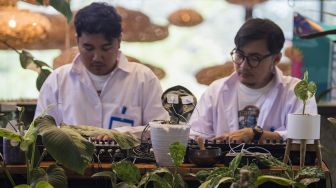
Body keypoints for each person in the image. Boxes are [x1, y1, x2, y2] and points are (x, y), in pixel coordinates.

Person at [35, 2, 169, 134]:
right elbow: (40, 131)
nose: (97, 57)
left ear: (119, 41)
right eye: (88, 48)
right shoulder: (58, 80)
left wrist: (123, 135)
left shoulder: (143, 79)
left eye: (106, 48)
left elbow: (161, 129)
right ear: (77, 41)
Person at [189, 18, 317, 143]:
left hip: (278, 165)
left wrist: (257, 135)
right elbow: (195, 136)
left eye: (254, 58)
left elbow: (306, 138)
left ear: (276, 59)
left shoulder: (297, 91)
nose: (244, 65)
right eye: (239, 55)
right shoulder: (215, 91)